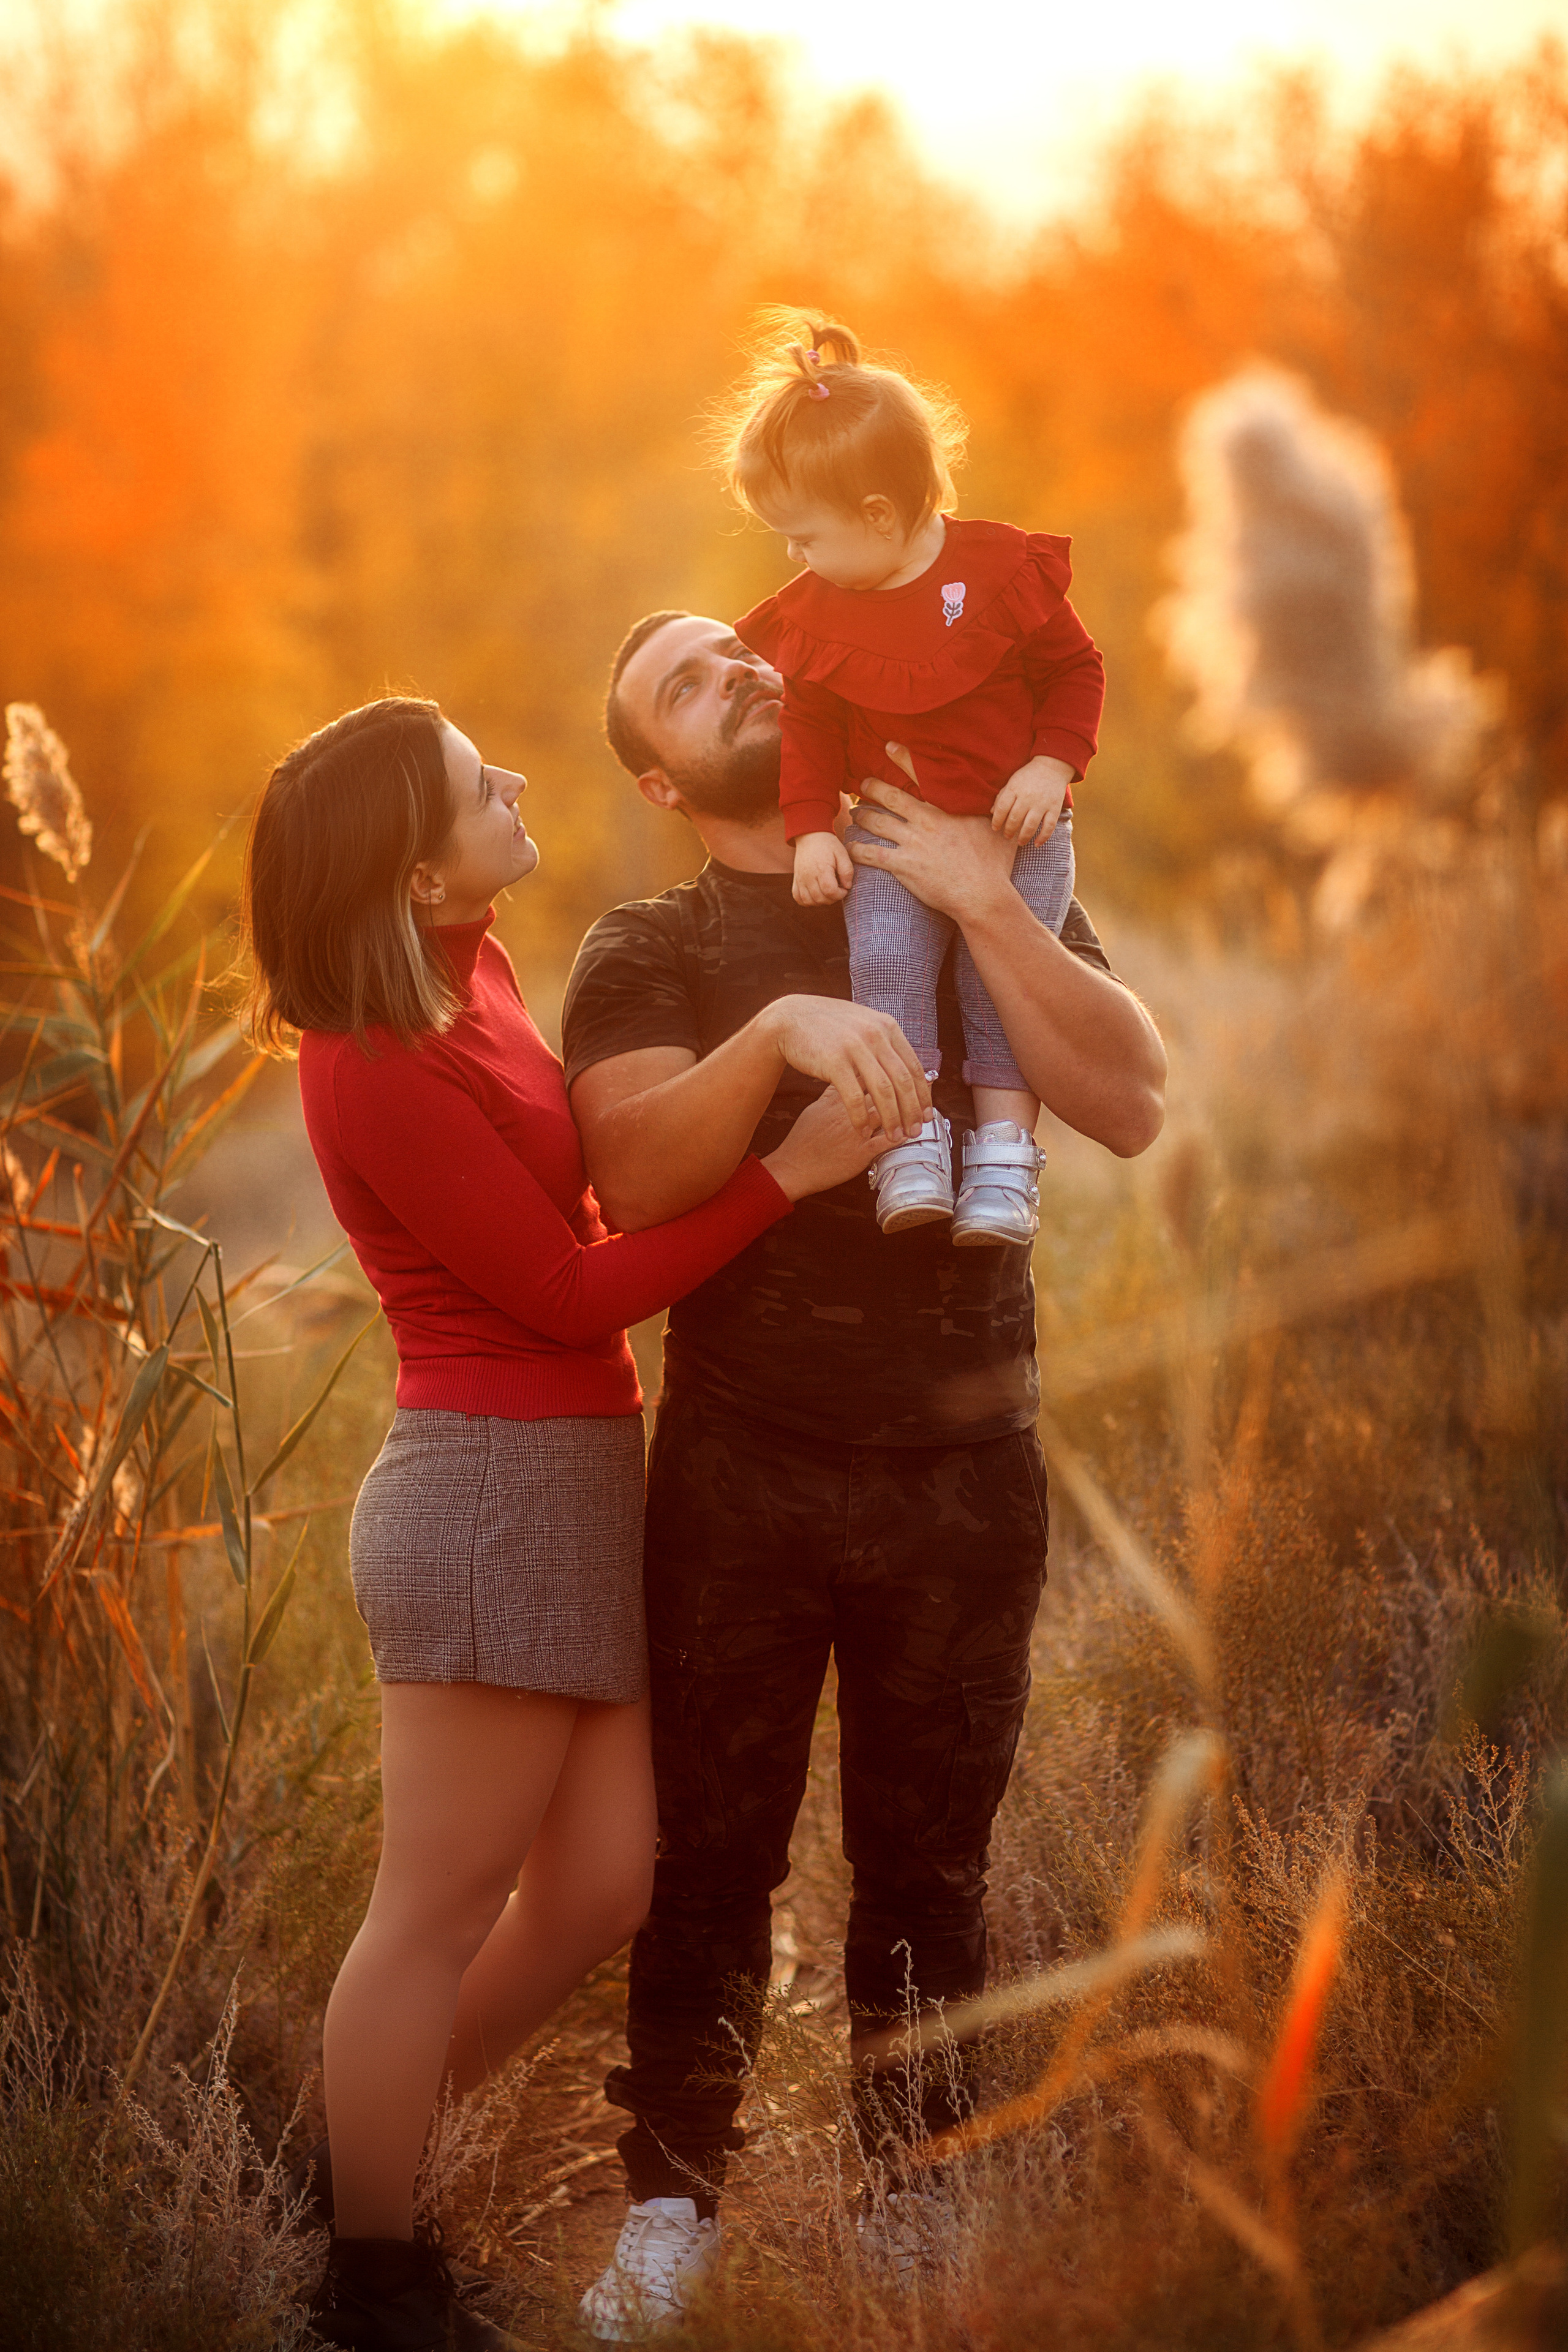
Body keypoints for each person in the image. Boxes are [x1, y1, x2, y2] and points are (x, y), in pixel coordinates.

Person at [239, 695, 902, 2352]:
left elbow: (591, 1195)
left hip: (581, 1479)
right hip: (485, 1490)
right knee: (435, 1907)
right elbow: (559, 1289)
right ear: (412, 869)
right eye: (481, 786)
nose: (518, 782)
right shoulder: (369, 1060)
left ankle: (343, 2145)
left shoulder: (475, 976)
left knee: (606, 1887)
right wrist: (786, 1176)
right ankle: (368, 2282)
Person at [564, 614, 1166, 2337]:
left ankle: (912, 2202)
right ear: (665, 778)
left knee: (931, 1872)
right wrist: (783, 1040)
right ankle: (671, 2212)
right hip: (740, 1475)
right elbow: (628, 1168)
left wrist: (983, 896)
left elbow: (1126, 1099)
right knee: (711, 1865)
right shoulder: (654, 940)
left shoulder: (952, 858)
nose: (742, 670)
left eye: (740, 648)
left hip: (968, 1480)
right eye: (687, 679)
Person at [714, 311, 1107, 1245]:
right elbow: (809, 718)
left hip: (1020, 833)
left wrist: (1053, 765)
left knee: (994, 986)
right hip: (889, 838)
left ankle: (1006, 1162)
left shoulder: (1001, 570)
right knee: (885, 967)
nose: (794, 560)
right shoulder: (822, 613)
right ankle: (912, 1140)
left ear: (879, 517)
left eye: (803, 537)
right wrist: (811, 825)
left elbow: (1075, 671)